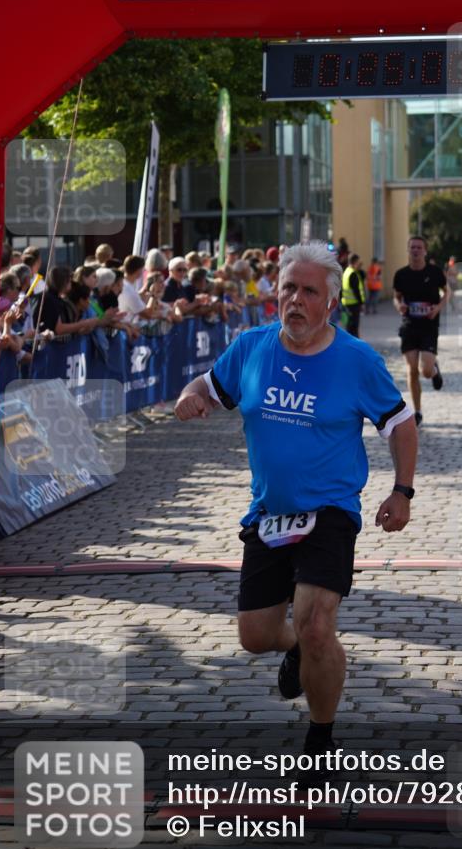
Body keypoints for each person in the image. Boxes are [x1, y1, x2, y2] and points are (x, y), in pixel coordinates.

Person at [175, 241, 417, 762]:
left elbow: (401, 423)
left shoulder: (356, 360)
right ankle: (302, 649)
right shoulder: (251, 347)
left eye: (309, 292)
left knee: (316, 622)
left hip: (330, 511)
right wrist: (190, 395)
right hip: (269, 512)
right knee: (255, 635)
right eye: (289, 289)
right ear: (276, 294)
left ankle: (320, 740)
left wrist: (402, 491)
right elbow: (209, 385)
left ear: (330, 302)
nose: (296, 300)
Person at [393, 236, 447, 427]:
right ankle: (417, 411)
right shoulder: (401, 274)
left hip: (429, 326)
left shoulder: (435, 272)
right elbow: (396, 296)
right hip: (409, 326)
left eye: (419, 247)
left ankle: (434, 370)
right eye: (412, 247)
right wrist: (399, 305)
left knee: (425, 371)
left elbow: (447, 292)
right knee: (412, 370)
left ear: (425, 250)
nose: (415, 250)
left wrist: (437, 308)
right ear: (408, 250)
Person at [340, 252, 365, 337]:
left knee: (349, 326)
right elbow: (356, 291)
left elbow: (341, 289)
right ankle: (354, 343)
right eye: (358, 262)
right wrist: (361, 303)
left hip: (346, 304)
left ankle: (349, 341)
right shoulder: (353, 274)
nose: (359, 264)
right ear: (355, 262)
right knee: (354, 328)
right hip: (354, 304)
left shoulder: (346, 272)